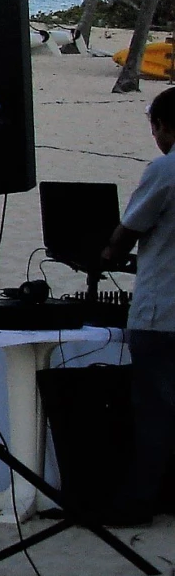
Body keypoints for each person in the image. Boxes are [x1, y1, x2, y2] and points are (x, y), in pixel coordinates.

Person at [106, 85, 175, 518]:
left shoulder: (165, 170)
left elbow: (130, 227)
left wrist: (109, 252)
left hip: (162, 311)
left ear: (163, 126)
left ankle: (141, 501)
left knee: (154, 411)